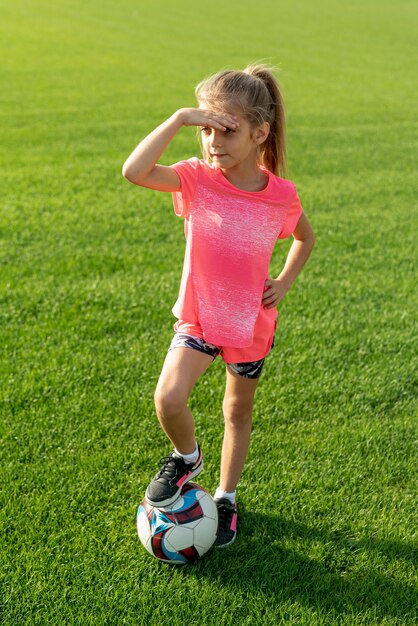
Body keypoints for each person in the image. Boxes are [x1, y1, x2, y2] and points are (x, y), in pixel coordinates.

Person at [122, 63, 315, 548]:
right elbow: (134, 171)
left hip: (250, 324)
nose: (212, 141)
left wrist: (285, 281)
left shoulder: (281, 197)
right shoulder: (196, 179)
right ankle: (187, 458)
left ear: (259, 133)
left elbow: (304, 238)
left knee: (236, 412)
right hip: (201, 317)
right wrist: (179, 117)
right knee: (168, 399)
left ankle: (226, 498)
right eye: (205, 129)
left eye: (225, 130)